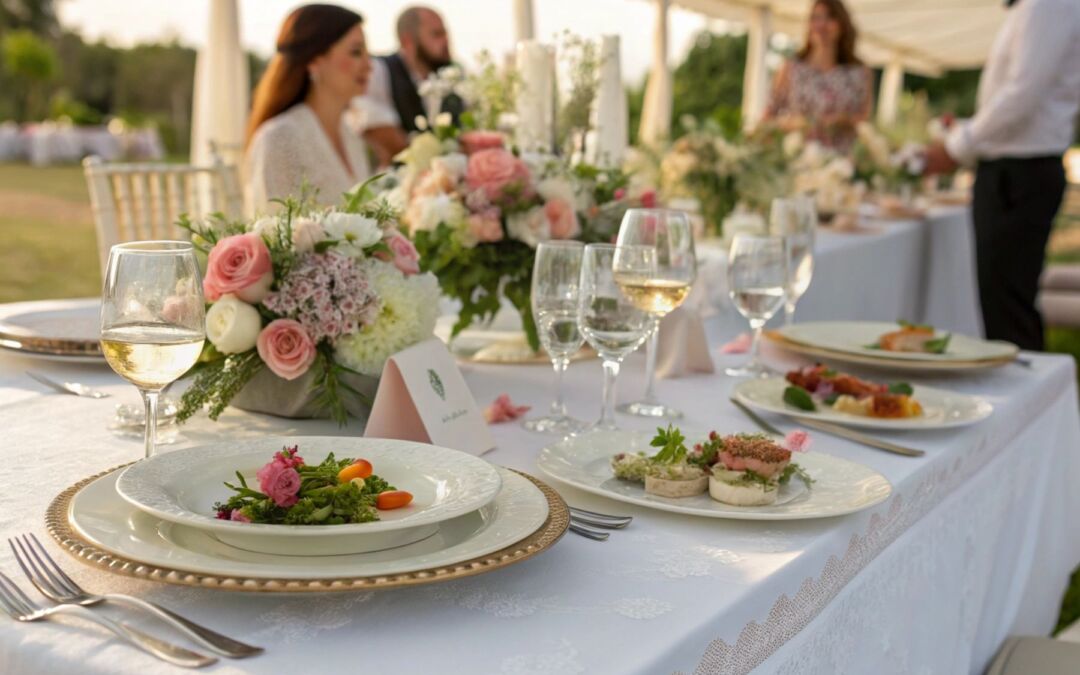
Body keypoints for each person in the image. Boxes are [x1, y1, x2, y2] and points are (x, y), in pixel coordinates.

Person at [925, 0, 1080, 351]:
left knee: (1009, 315)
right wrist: (962, 134)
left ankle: (1028, 403)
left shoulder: (1048, 4)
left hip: (1020, 174)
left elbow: (1023, 94)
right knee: (1003, 308)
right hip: (1015, 169)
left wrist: (956, 147)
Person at [244, 4, 372, 215]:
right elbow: (274, 234)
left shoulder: (351, 135)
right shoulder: (279, 138)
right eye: (356, 52)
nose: (369, 64)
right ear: (314, 60)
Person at [353, 6, 460, 166]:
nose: (445, 41)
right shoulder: (378, 71)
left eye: (445, 33)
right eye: (436, 34)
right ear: (407, 41)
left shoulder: (453, 76)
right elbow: (382, 134)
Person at [762, 0, 872, 152]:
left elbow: (864, 121)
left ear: (842, 24)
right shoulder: (791, 68)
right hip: (797, 158)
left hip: (841, 163)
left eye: (829, 18)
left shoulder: (859, 73)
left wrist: (842, 121)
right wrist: (797, 123)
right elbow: (767, 119)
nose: (821, 25)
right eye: (815, 18)